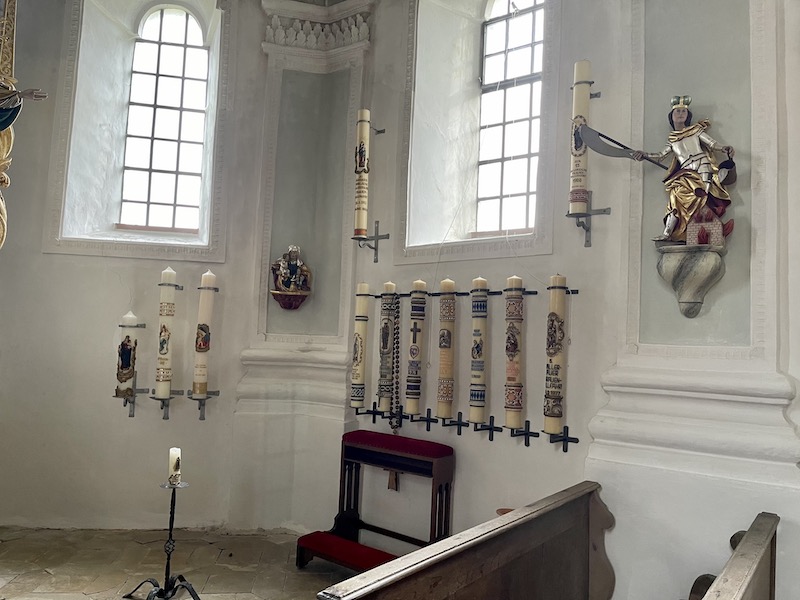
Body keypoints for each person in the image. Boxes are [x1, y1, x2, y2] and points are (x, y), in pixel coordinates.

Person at [633, 96, 734, 242]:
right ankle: (668, 232)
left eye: (683, 111)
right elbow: (660, 155)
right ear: (671, 116)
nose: (680, 114)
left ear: (688, 115)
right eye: (677, 111)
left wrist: (724, 148)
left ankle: (703, 232)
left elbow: (712, 144)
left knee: (702, 198)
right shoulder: (672, 139)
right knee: (675, 195)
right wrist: (645, 155)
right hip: (685, 172)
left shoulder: (695, 130)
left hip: (702, 167)